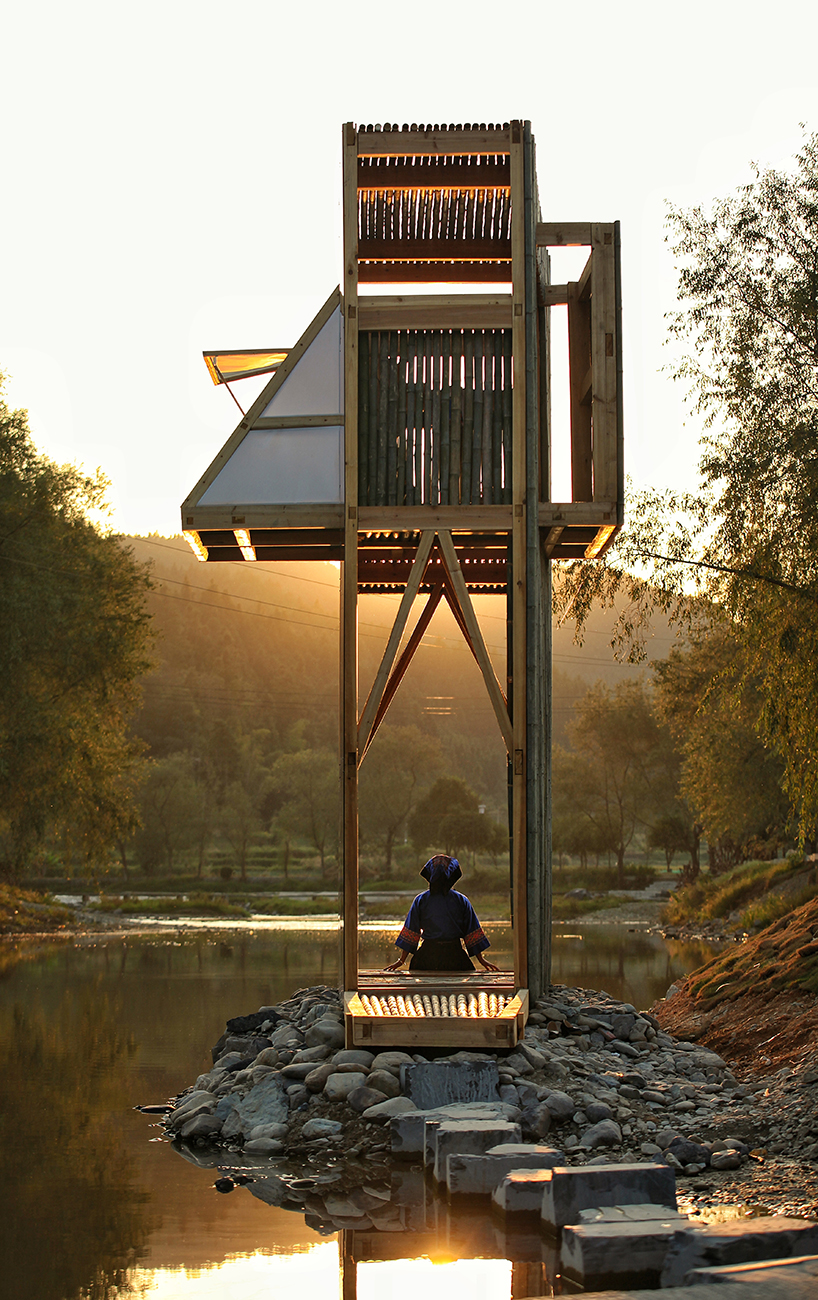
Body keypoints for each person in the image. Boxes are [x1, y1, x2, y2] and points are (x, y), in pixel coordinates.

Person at [383, 853, 499, 973]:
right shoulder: (461, 900)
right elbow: (471, 932)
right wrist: (482, 960)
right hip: (455, 957)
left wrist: (401, 960)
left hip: (427, 957)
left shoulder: (421, 900)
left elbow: (411, 931)